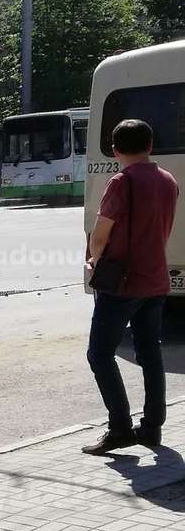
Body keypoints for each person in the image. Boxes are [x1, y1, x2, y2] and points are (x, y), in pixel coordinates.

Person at [82, 119, 179, 455]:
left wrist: (94, 260)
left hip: (123, 284)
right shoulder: (169, 181)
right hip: (156, 280)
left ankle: (120, 427)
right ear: (150, 145)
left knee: (99, 353)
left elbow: (100, 233)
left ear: (115, 150)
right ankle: (151, 428)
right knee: (150, 352)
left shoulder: (121, 182)